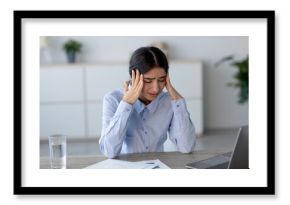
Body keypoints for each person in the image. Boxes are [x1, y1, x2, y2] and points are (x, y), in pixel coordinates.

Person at [99, 46, 196, 158]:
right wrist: (126, 104)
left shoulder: (169, 102)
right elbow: (108, 151)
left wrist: (178, 101)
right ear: (133, 76)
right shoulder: (113, 99)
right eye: (148, 81)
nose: (156, 89)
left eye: (161, 80)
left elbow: (186, 147)